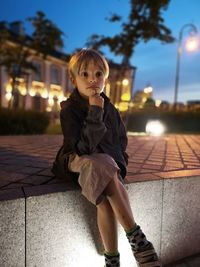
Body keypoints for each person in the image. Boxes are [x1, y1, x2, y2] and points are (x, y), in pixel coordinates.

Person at [53, 48, 161, 267]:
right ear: (73, 79)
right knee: (102, 163)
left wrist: (119, 168)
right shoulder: (69, 109)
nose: (92, 79)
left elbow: (121, 143)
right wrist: (94, 112)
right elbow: (83, 148)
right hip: (76, 160)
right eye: (85, 74)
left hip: (105, 167)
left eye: (98, 74)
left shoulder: (111, 109)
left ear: (105, 78)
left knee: (104, 199)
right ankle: (137, 239)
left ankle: (112, 261)